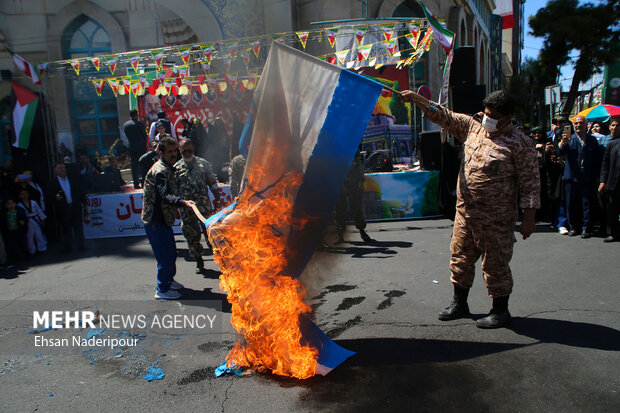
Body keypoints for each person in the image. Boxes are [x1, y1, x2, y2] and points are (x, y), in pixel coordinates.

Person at [400, 89, 540, 329]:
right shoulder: (472, 127)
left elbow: (531, 183)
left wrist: (529, 218)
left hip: (497, 218)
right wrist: (417, 100)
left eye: (493, 115)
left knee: (495, 264)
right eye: (486, 113)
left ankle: (500, 310)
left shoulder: (520, 143)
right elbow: (443, 115)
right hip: (466, 213)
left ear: (507, 118)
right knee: (460, 259)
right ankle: (459, 303)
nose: (487, 118)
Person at [142, 135, 195, 299]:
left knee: (171, 252)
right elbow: (165, 196)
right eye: (170, 152)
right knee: (164, 255)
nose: (174, 154)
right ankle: (162, 289)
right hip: (155, 220)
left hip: (164, 219)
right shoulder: (161, 172)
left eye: (175, 151)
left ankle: (168, 280)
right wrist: (182, 202)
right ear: (161, 153)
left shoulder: (169, 167)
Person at [174, 139, 221, 273]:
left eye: (190, 151)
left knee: (210, 234)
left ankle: (220, 260)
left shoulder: (203, 164)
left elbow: (212, 183)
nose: (187, 153)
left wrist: (217, 200)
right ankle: (199, 261)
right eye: (184, 151)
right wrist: (175, 208)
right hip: (186, 209)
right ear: (180, 151)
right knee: (191, 235)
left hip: (203, 208)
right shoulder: (176, 168)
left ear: (194, 149)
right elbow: (174, 190)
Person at [558, 116, 599, 238]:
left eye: (581, 123)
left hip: (586, 177)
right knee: (571, 204)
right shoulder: (569, 139)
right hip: (571, 177)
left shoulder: (592, 140)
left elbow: (596, 160)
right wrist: (564, 144)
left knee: (587, 203)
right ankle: (573, 227)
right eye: (576, 124)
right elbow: (561, 154)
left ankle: (586, 228)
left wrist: (597, 177)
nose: (578, 126)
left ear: (586, 125)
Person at [335, 146, 372, 244]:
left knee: (356, 207)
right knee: (339, 210)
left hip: (353, 182)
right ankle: (340, 235)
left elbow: (359, 164)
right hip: (340, 183)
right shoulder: (335, 146)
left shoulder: (353, 146)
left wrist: (361, 181)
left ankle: (362, 231)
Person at [48, 163, 87, 253]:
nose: (63, 169)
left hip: (75, 207)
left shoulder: (72, 179)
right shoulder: (53, 183)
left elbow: (80, 192)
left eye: (64, 168)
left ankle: (80, 245)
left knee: (78, 227)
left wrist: (84, 203)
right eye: (60, 168)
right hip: (63, 209)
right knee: (66, 228)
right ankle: (67, 247)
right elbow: (48, 196)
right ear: (56, 170)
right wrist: (55, 197)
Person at [598, 117, 620, 242]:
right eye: (612, 125)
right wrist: (602, 181)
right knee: (612, 209)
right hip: (613, 182)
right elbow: (605, 165)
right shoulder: (611, 144)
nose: (614, 128)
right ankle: (612, 233)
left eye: (617, 125)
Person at [123, 110, 149, 189]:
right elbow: (144, 136)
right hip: (141, 147)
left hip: (132, 146)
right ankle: (143, 182)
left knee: (134, 166)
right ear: (136, 115)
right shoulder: (139, 124)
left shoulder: (125, 125)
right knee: (143, 165)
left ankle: (135, 183)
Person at [17, 188, 47, 255]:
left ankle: (42, 248)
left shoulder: (33, 202)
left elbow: (39, 211)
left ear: (28, 194)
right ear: (19, 196)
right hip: (27, 221)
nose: (24, 195)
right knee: (29, 236)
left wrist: (42, 219)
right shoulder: (19, 205)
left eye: (26, 194)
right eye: (22, 194)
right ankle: (31, 251)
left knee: (39, 234)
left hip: (35, 219)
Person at [1, 197, 28, 264]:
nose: (11, 205)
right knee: (13, 244)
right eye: (9, 204)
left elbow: (25, 218)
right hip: (10, 231)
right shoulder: (4, 213)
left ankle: (25, 255)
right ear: (6, 205)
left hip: (19, 230)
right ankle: (15, 256)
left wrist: (23, 222)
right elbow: (3, 223)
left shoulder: (19, 211)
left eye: (12, 203)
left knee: (22, 242)